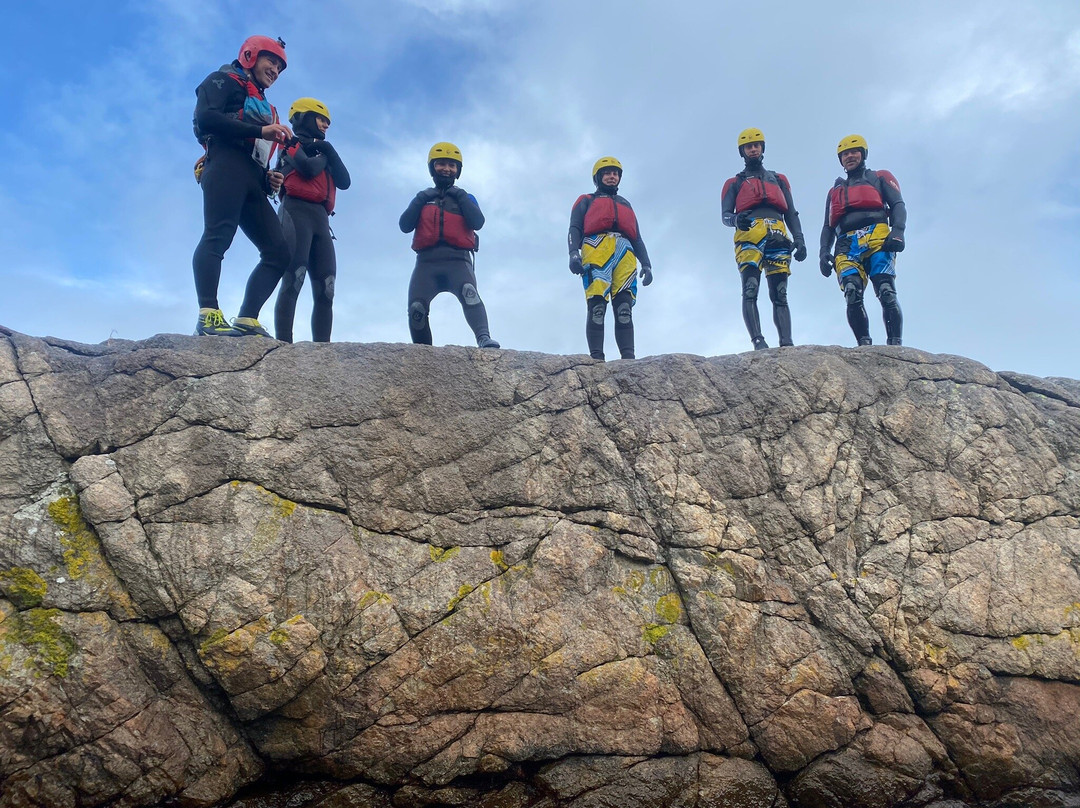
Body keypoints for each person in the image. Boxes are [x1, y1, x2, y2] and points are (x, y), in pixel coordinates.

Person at [191, 35, 292, 337]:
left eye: (279, 66)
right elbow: (206, 118)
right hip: (224, 165)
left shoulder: (265, 104)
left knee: (278, 253)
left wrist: (268, 178)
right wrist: (261, 128)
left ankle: (247, 318)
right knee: (218, 235)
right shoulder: (221, 80)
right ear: (250, 55)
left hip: (252, 177)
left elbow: (256, 148)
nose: (275, 69)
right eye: (270, 61)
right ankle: (208, 314)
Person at [399, 142, 499, 348]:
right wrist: (419, 199)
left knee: (469, 294)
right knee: (417, 308)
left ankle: (483, 338)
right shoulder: (423, 198)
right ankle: (422, 352)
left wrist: (461, 196)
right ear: (432, 167)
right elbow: (405, 225)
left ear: (458, 170)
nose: (447, 169)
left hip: (458, 261)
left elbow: (478, 222)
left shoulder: (466, 198)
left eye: (452, 165)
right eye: (441, 164)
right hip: (426, 264)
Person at [272, 98, 351, 342]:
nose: (326, 125)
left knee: (326, 289)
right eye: (321, 119)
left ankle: (323, 352)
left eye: (327, 121)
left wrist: (328, 151)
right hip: (295, 212)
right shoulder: (290, 145)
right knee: (294, 279)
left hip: (320, 219)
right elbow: (308, 169)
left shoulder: (323, 150)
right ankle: (283, 344)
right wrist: (326, 155)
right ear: (304, 118)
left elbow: (345, 181)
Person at [721, 128, 806, 350]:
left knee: (780, 291)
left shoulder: (778, 179)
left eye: (756, 145)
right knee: (750, 287)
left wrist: (799, 238)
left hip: (777, 230)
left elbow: (791, 212)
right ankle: (758, 340)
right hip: (749, 233)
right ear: (742, 151)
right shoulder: (734, 183)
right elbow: (726, 215)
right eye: (748, 146)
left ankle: (786, 342)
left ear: (762, 148)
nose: (753, 149)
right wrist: (736, 220)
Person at [819, 134, 906, 346]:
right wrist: (823, 251)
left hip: (878, 236)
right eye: (845, 154)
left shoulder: (879, 177)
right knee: (851, 291)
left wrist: (898, 231)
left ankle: (895, 344)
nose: (850, 156)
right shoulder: (834, 192)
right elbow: (828, 226)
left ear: (863, 154)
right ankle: (864, 344)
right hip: (846, 243)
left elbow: (897, 205)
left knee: (885, 290)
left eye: (854, 152)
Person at [567, 157, 653, 360]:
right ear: (598, 177)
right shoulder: (586, 200)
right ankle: (596, 358)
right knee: (597, 305)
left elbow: (637, 237)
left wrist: (647, 264)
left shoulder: (626, 204)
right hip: (596, 247)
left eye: (615, 173)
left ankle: (628, 358)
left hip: (625, 251)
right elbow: (574, 228)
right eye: (607, 173)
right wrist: (573, 253)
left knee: (624, 307)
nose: (612, 176)